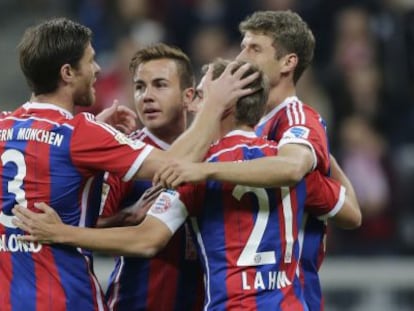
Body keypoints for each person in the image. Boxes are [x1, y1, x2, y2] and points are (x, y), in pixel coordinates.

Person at [13, 59, 356, 310]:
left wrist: (63, 233)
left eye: (205, 97)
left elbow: (146, 239)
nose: (196, 105)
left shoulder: (193, 172)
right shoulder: (288, 167)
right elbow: (352, 213)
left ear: (223, 105)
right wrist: (317, 144)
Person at [0, 17, 256, 311]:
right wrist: (214, 104)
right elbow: (174, 164)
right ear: (68, 72)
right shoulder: (81, 134)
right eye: (91, 61)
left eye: (160, 85)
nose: (97, 70)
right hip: (67, 297)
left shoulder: (5, 126)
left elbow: (44, 157)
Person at [152, 10, 361, 311]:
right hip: (245, 290)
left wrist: (202, 170)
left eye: (255, 49)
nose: (241, 57)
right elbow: (350, 210)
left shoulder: (296, 119)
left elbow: (297, 173)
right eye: (242, 47)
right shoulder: (256, 126)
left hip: (288, 293)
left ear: (288, 62)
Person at [98, 43, 204, 311]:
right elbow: (87, 225)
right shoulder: (124, 155)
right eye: (139, 87)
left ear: (188, 97)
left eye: (160, 85)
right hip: (135, 303)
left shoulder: (213, 154)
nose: (147, 96)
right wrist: (125, 217)